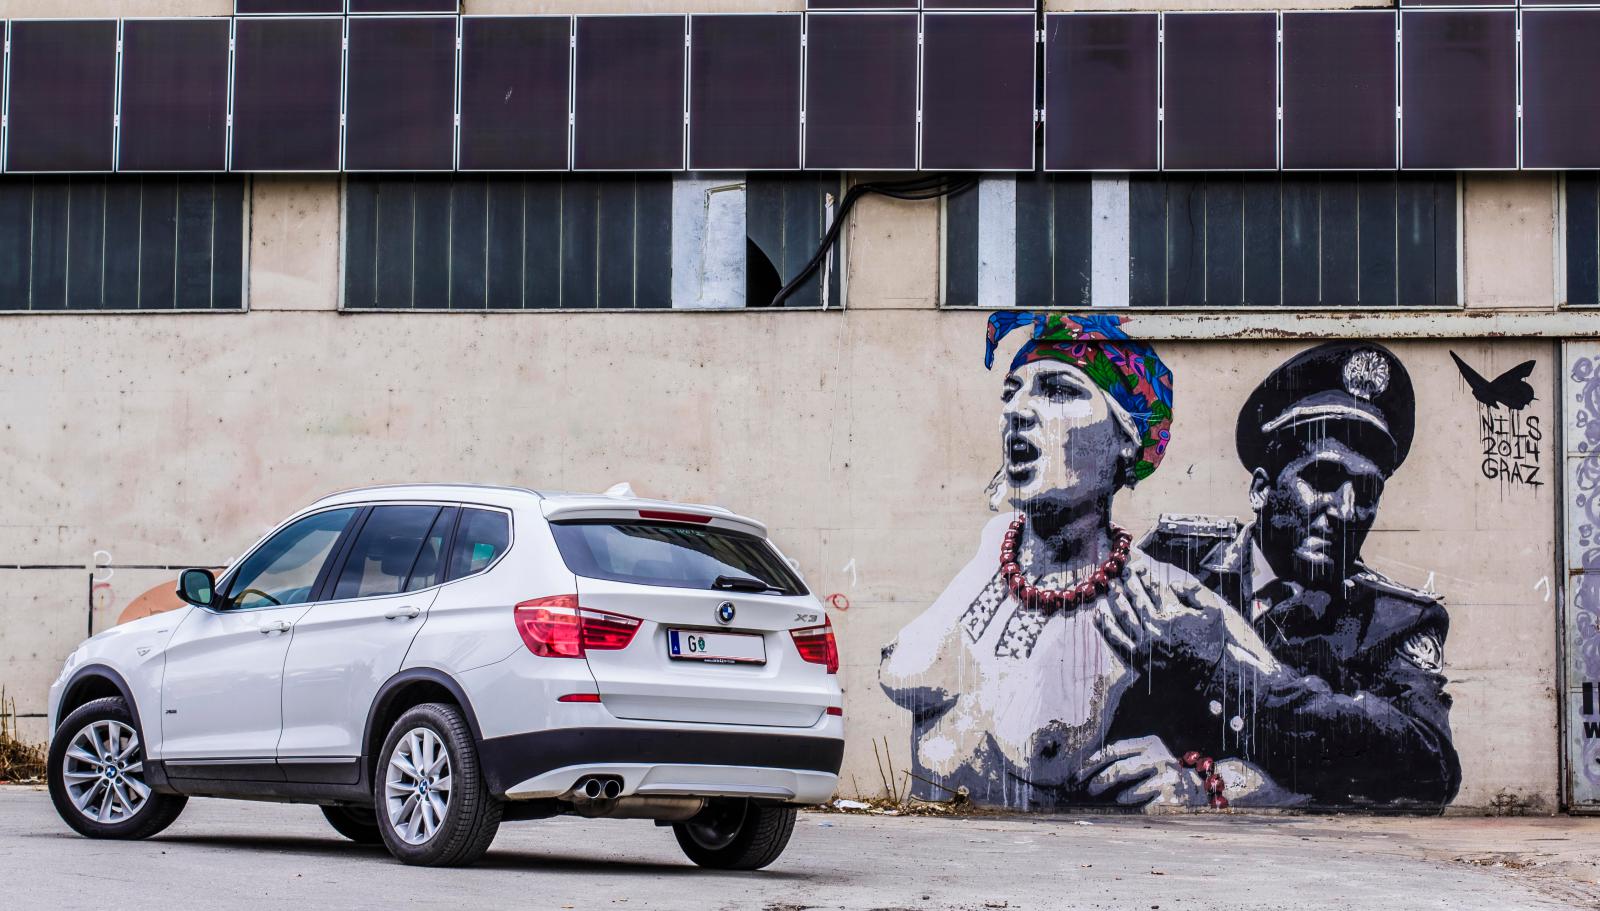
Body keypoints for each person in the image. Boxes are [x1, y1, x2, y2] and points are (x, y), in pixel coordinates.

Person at [1104, 341, 1460, 809]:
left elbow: (1430, 766)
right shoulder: (1176, 564)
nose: (1346, 510)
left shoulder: (1394, 620)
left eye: (1367, 491)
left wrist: (1230, 676)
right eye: (1324, 479)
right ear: (1261, 489)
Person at [879, 312, 1181, 809]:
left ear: (1128, 439)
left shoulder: (1153, 595)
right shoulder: (993, 544)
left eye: (1058, 391)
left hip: (1044, 856)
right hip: (921, 849)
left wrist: (1207, 781)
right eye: (1011, 392)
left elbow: (1302, 709)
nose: (1017, 410)